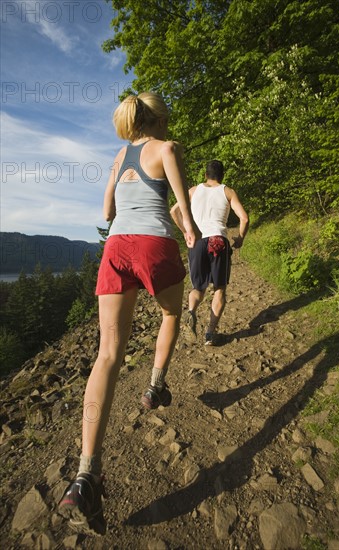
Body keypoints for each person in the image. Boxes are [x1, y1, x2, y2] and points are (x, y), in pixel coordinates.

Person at [58, 92, 200, 535]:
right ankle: (156, 385)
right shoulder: (169, 148)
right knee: (171, 315)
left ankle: (85, 474)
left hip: (116, 247)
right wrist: (191, 234)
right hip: (155, 244)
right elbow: (182, 208)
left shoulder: (119, 156)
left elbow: (106, 211)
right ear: (159, 120)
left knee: (107, 355)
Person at [170, 160, 249, 345]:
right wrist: (240, 238)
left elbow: (174, 211)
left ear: (205, 175)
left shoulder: (193, 191)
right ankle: (210, 334)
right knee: (219, 288)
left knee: (198, 288)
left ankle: (191, 312)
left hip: (197, 242)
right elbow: (244, 218)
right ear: (222, 176)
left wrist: (185, 231)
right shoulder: (227, 191)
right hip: (218, 241)